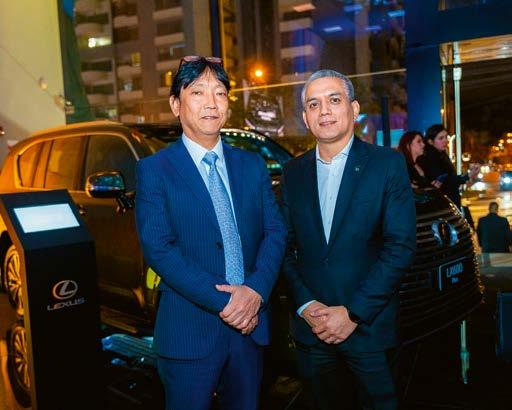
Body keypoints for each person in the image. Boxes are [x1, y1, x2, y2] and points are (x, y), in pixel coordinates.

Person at [135, 56, 286, 410]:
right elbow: (158, 248)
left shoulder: (252, 165)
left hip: (250, 328)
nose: (211, 102)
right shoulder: (155, 169)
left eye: (219, 93)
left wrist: (255, 291)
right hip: (189, 332)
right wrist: (229, 303)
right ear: (176, 105)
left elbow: (275, 232)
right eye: (198, 92)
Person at [280, 69, 416, 410]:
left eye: (334, 100)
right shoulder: (292, 173)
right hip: (312, 330)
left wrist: (353, 313)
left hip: (368, 330)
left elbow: (399, 247)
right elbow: (283, 247)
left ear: (354, 109)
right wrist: (306, 305)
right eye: (314, 104)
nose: (324, 110)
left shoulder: (387, 164)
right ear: (306, 118)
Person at [420, 124, 480, 208]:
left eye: (446, 137)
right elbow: (445, 181)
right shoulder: (431, 158)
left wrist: (467, 176)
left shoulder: (442, 154)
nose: (445, 140)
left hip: (450, 202)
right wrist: (466, 176)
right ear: (430, 141)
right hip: (443, 205)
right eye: (441, 138)